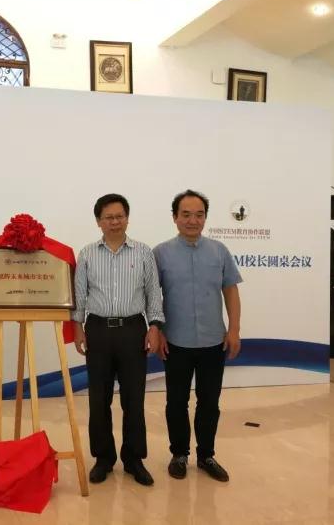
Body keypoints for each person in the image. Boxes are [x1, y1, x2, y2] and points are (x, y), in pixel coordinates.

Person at [73, 193, 164, 486]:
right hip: (98, 330)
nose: (115, 222)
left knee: (133, 399)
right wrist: (77, 327)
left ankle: (134, 459)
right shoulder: (87, 254)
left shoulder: (143, 252)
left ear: (127, 218)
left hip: (133, 330)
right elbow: (80, 294)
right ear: (98, 221)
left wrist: (154, 326)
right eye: (108, 217)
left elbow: (153, 293)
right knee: (98, 399)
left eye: (120, 216)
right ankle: (103, 458)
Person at [153, 189, 242, 483]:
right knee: (176, 402)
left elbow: (231, 291)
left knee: (209, 402)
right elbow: (152, 297)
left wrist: (234, 330)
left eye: (199, 214)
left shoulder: (219, 251)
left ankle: (206, 456)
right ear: (175, 217)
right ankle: (179, 454)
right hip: (175, 342)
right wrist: (158, 330)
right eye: (186, 214)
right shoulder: (160, 253)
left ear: (205, 217)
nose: (193, 220)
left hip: (213, 342)